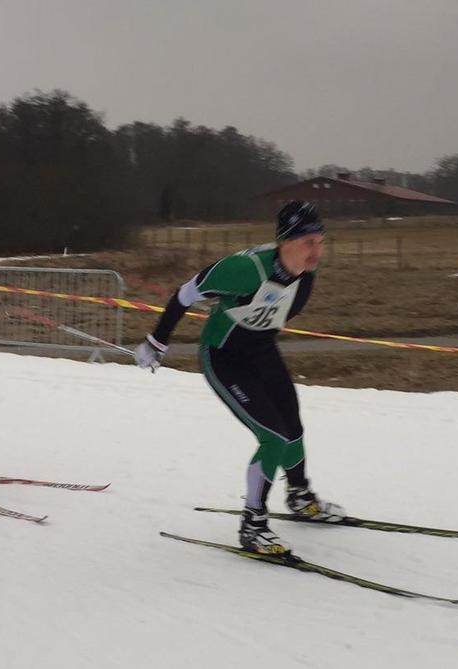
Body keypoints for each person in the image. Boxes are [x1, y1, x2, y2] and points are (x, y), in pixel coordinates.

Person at [133, 201, 345, 555]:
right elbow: (186, 293)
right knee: (274, 437)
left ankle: (300, 496)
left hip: (261, 353)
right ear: (286, 242)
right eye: (310, 242)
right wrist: (156, 342)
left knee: (292, 426)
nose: (318, 250)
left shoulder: (305, 278)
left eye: (321, 241)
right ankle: (253, 525)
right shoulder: (243, 270)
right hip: (224, 358)